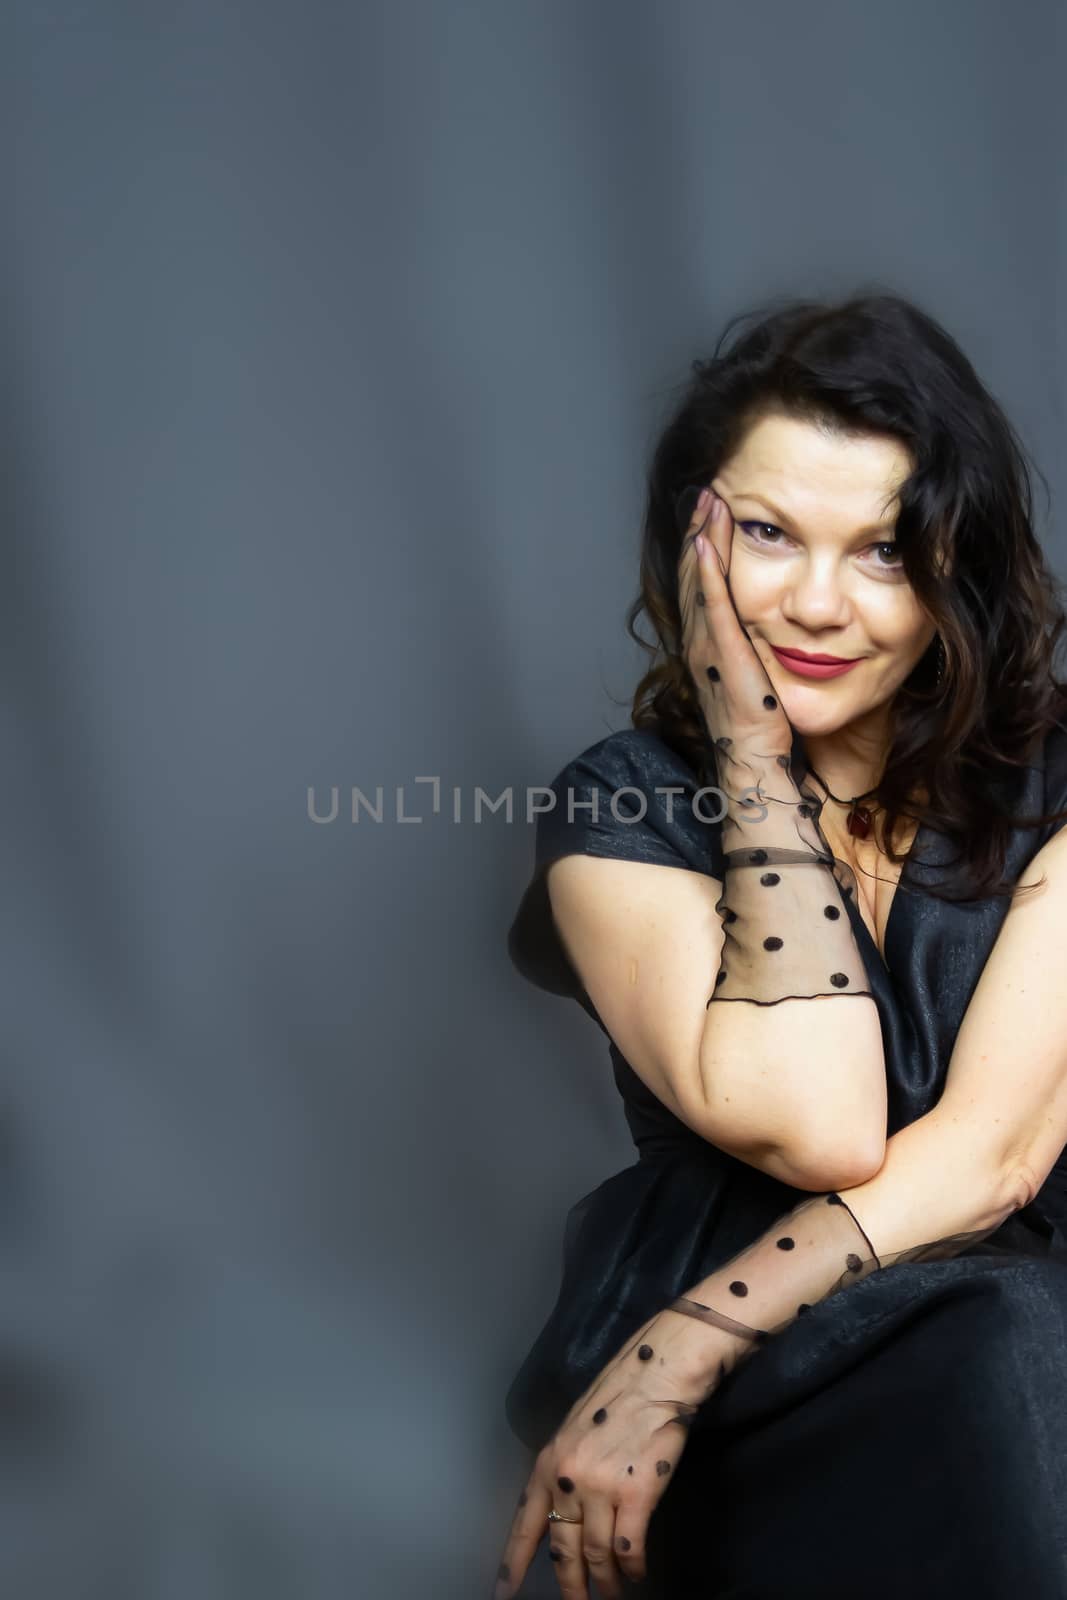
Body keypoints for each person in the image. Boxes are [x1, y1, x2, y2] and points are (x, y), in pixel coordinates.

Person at [492, 292, 1067, 1600]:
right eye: (766, 533)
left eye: (882, 551)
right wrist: (752, 758)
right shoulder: (624, 806)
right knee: (1011, 1340)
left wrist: (675, 1350)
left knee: (1017, 1336)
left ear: (955, 567)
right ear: (693, 544)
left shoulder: (1058, 794)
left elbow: (994, 1157)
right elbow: (820, 1125)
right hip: (765, 1411)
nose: (817, 604)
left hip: (996, 1378)